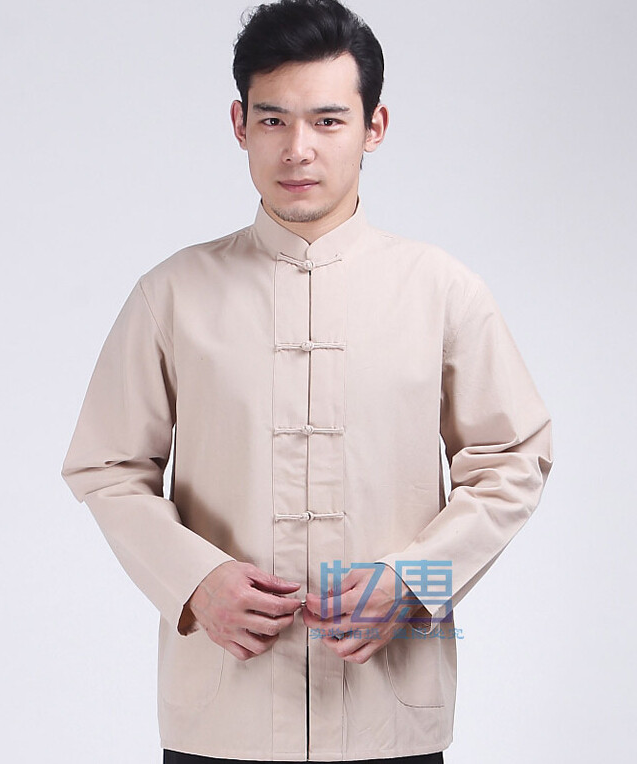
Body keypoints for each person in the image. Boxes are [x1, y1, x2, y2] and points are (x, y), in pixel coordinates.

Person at [61, 1, 553, 762]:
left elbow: (513, 462)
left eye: (328, 121)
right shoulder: (173, 293)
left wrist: (412, 583)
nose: (298, 150)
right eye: (273, 120)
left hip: (390, 710)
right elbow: (106, 465)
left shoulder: (443, 291)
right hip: (222, 712)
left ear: (373, 127)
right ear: (239, 124)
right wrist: (195, 580)